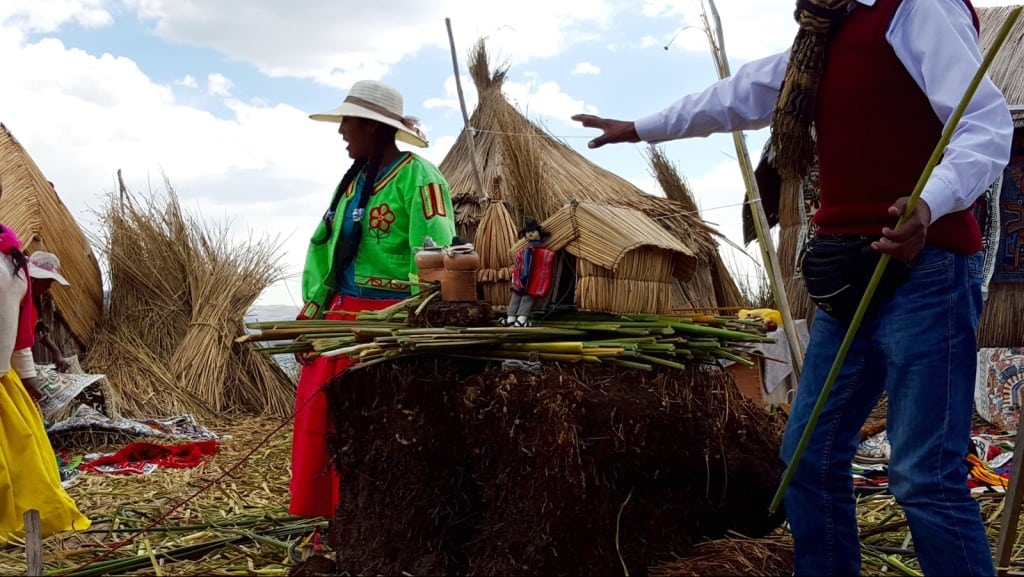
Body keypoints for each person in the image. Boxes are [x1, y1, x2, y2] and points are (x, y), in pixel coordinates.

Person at [572, 1, 1013, 575]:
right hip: (844, 277)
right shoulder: (824, 36)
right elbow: (738, 95)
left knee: (924, 475)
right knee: (807, 458)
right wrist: (640, 128)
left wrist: (928, 204)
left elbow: (986, 123)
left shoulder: (915, 9)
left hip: (922, 270)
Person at [290, 79, 457, 517]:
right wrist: (314, 310)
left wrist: (413, 318)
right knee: (319, 416)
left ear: (371, 127)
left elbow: (433, 250)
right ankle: (327, 518)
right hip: (340, 316)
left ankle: (369, 517)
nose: (341, 131)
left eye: (348, 123)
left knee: (371, 422)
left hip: (388, 321)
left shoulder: (420, 177)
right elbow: (323, 248)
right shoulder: (350, 184)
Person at [0, 216, 90, 542]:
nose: (49, 286)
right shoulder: (14, 271)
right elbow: (26, 336)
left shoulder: (16, 275)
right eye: (47, 281)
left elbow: (29, 334)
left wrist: (46, 365)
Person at [501, 218, 555, 327]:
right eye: (528, 232)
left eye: (533, 231)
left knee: (528, 298)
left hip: (533, 280)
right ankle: (511, 317)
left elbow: (543, 265)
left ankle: (522, 318)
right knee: (515, 296)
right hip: (521, 279)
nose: (530, 233)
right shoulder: (522, 252)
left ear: (539, 234)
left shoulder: (542, 253)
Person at [27, 251, 71, 374]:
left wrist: (55, 352)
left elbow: (37, 328)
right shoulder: (15, 295)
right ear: (34, 278)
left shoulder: (36, 297)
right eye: (47, 281)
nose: (49, 287)